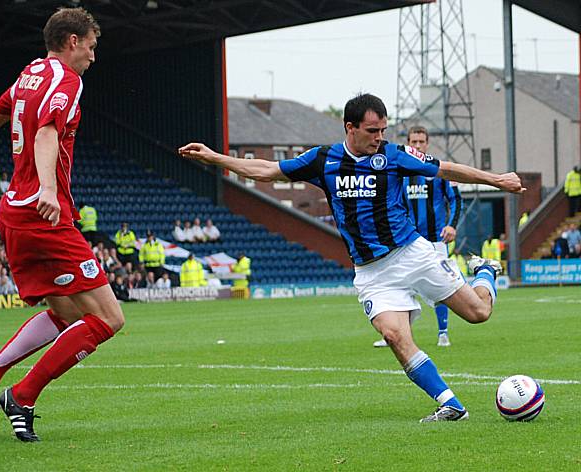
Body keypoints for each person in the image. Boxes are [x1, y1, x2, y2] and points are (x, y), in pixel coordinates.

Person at [179, 92, 524, 422]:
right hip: (372, 273)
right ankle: (451, 405)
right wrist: (213, 157)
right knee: (393, 336)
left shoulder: (393, 155)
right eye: (372, 131)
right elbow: (266, 170)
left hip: (411, 254)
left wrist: (496, 179)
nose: (379, 137)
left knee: (479, 313)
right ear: (350, 127)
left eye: (383, 130)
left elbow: (446, 169)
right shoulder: (322, 160)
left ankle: (486, 272)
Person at [0, 7, 124, 443]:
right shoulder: (68, 81)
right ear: (72, 41)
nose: (92, 56)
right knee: (108, 318)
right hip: (42, 213)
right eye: (91, 46)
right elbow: (47, 132)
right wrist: (48, 188)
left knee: (67, 314)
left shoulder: (29, 74)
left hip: (13, 213)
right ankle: (23, 396)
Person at [373, 126, 461, 348]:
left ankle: (443, 332)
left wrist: (452, 225)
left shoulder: (438, 171)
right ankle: (399, 333)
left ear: (427, 144)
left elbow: (456, 199)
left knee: (443, 287)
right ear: (408, 143)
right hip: (407, 241)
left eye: (422, 142)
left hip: (435, 240)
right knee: (402, 287)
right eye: (414, 142)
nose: (418, 145)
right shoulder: (399, 171)